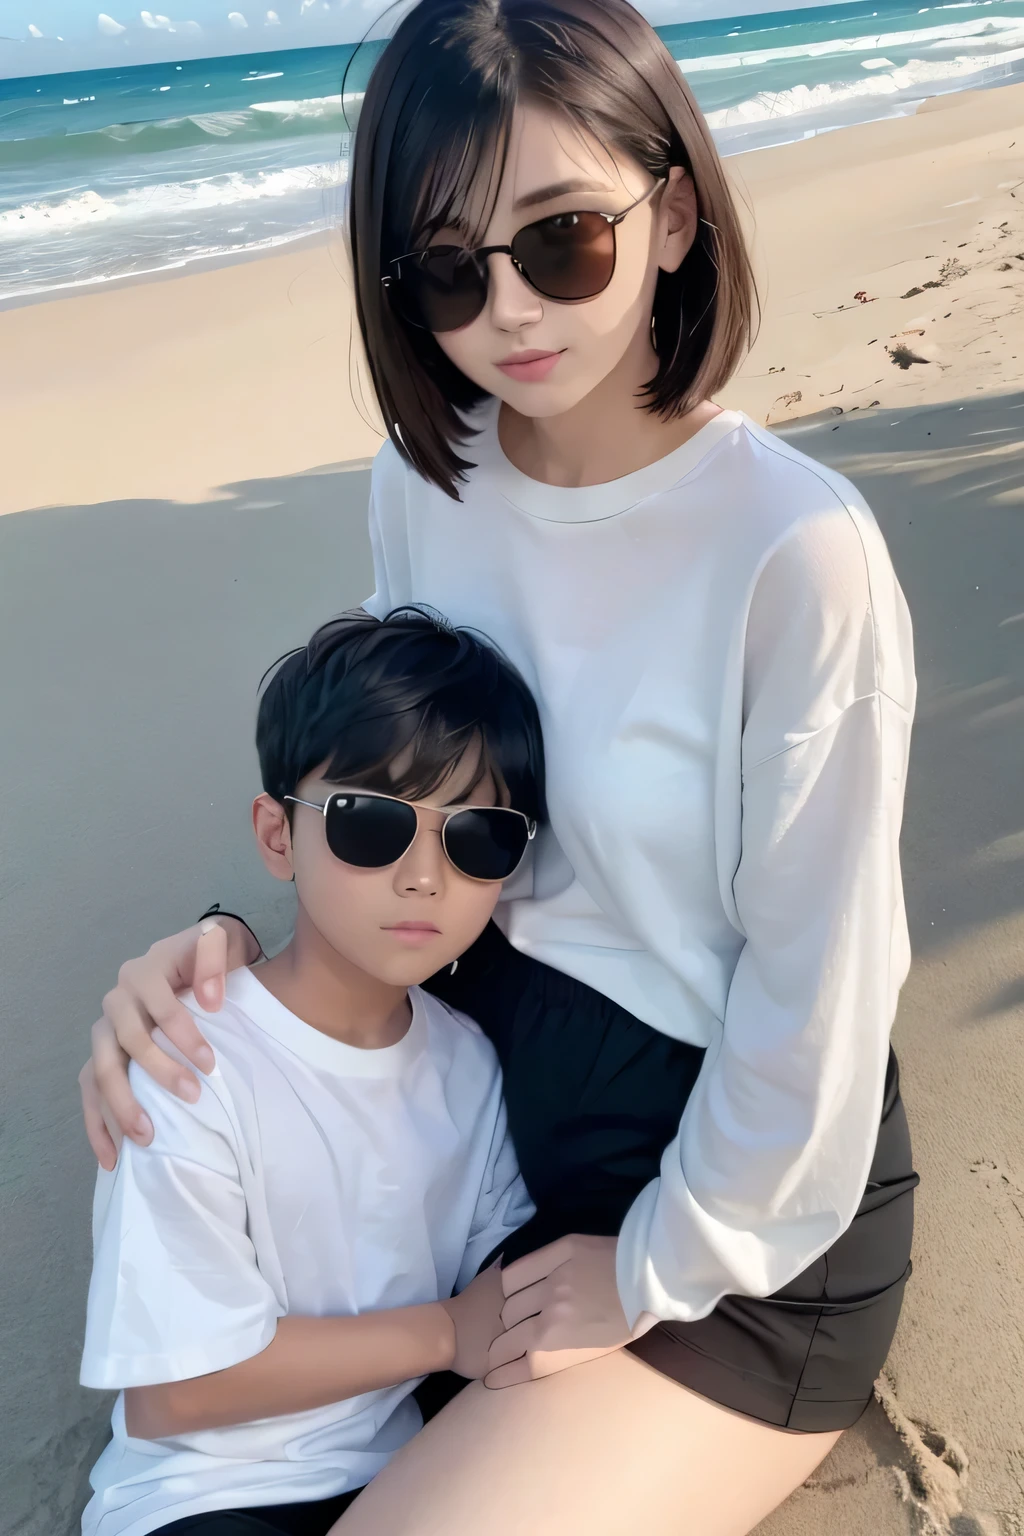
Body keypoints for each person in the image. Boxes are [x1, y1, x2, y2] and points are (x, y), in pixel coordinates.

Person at [79, 2, 921, 1531]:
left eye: (562, 243)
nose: (509, 314)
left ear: (669, 216)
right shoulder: (430, 485)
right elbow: (409, 768)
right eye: (450, 269)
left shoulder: (796, 552)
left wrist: (659, 1263)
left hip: (721, 1197)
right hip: (468, 1099)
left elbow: (821, 997)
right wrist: (224, 956)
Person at [79, 609, 542, 1536]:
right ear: (277, 834)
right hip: (205, 1499)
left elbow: (504, 1287)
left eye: (477, 836)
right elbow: (173, 1395)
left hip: (400, 1474)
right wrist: (449, 1329)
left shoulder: (473, 1066)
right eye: (371, 824)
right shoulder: (190, 1058)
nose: (424, 876)